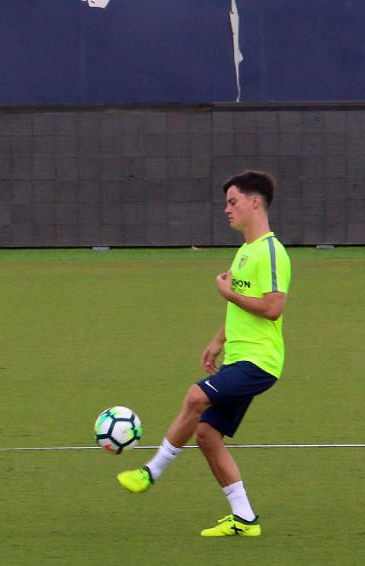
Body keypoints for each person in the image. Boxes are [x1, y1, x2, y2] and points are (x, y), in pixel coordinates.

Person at [116, 170, 291, 537]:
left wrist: (228, 295)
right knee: (208, 434)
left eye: (233, 201)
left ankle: (152, 471)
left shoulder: (271, 252)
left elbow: (273, 307)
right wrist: (218, 340)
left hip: (260, 361)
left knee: (197, 396)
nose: (226, 210)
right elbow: (247, 307)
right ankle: (244, 519)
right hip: (240, 357)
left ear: (254, 202)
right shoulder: (245, 251)